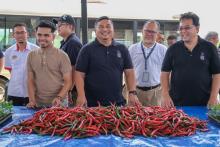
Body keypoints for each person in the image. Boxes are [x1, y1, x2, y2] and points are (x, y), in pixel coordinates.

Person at [75, 16, 140, 107]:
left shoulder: (122, 49)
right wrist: (81, 95)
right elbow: (79, 74)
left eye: (108, 26)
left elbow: (129, 72)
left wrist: (132, 93)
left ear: (113, 29)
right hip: (92, 105)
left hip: (117, 104)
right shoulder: (86, 50)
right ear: (95, 30)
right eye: (101, 27)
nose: (105, 29)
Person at [161, 12, 220, 108]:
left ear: (197, 29)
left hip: (204, 103)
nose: (183, 31)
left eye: (187, 27)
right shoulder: (173, 49)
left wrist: (213, 96)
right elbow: (164, 73)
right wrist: (165, 94)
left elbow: (217, 74)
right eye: (181, 28)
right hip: (177, 103)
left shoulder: (210, 48)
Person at [26, 20, 72, 108]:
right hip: (38, 104)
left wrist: (59, 98)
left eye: (46, 35)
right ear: (36, 35)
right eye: (39, 35)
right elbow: (30, 80)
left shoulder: (62, 56)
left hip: (59, 105)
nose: (42, 38)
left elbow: (68, 81)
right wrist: (32, 100)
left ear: (53, 37)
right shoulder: (31, 55)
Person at [129, 20, 167, 106]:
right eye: (147, 31)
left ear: (157, 33)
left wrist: (166, 93)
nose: (149, 34)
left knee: (156, 118)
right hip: (136, 92)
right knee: (134, 117)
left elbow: (168, 73)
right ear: (142, 31)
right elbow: (127, 72)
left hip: (156, 93)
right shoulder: (132, 49)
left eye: (153, 32)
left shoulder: (163, 50)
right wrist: (130, 91)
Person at [4, 23, 38, 106]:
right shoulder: (9, 51)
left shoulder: (36, 50)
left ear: (27, 34)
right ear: (13, 35)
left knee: (32, 117)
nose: (20, 35)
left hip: (32, 93)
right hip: (14, 93)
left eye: (23, 32)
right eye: (17, 33)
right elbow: (10, 70)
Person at [53, 15, 82, 105]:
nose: (58, 27)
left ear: (71, 27)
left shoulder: (73, 43)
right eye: (57, 25)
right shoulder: (66, 42)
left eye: (61, 24)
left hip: (72, 91)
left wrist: (68, 90)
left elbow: (74, 68)